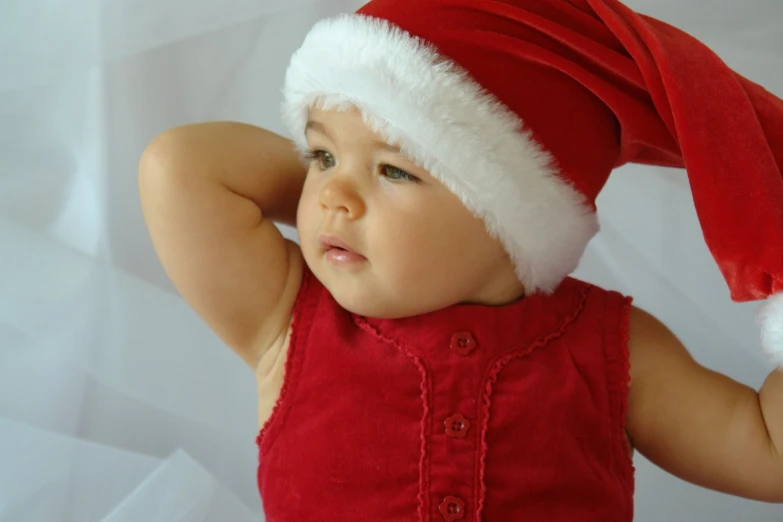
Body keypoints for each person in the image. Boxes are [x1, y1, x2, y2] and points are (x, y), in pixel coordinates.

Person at [138, 0, 783, 519]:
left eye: (395, 170)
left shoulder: (616, 349)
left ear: (509, 213)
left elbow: (767, 451)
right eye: (322, 156)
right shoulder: (287, 317)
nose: (333, 194)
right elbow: (178, 168)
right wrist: (355, 187)